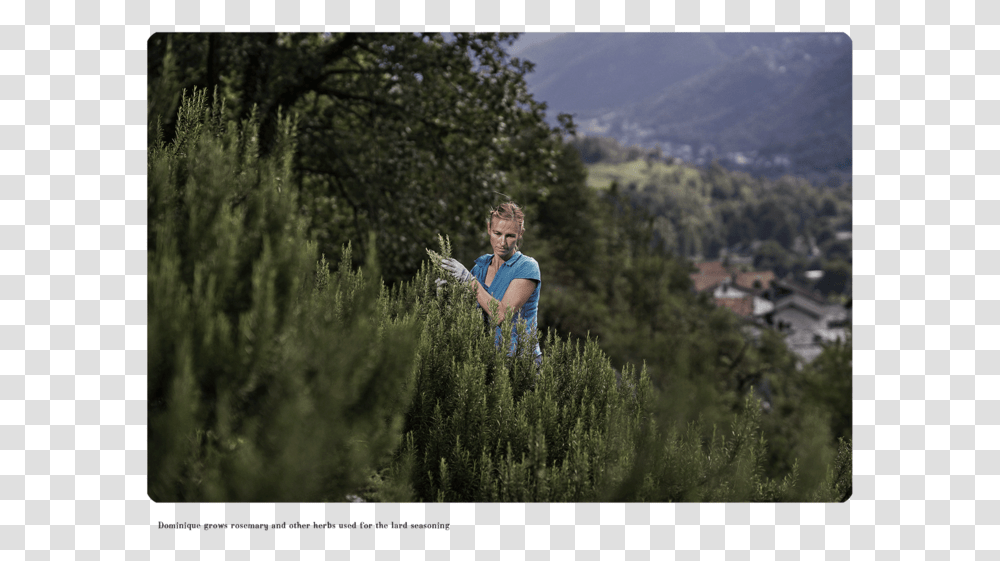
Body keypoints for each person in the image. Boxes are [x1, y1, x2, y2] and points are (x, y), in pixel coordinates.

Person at [439, 202, 542, 365]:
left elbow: (501, 315)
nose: (502, 242)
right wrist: (449, 292)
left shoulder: (527, 267)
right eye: (497, 233)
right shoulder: (480, 267)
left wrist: (468, 281)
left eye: (510, 236)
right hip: (485, 359)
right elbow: (468, 314)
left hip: (519, 362)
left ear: (520, 233)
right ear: (489, 229)